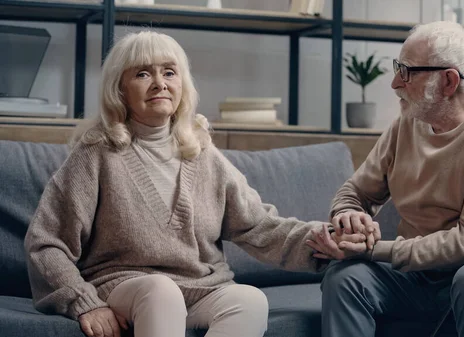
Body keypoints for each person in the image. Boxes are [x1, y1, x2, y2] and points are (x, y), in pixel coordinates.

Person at [23, 30, 369, 337]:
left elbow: (259, 226)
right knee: (161, 292)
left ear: (182, 85)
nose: (159, 83)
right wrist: (85, 302)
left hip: (202, 287)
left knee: (248, 299)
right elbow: (46, 243)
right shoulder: (97, 152)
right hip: (125, 286)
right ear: (120, 90)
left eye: (169, 73)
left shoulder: (201, 152)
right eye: (143, 73)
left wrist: (322, 240)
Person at [306, 21, 464, 337]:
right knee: (344, 277)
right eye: (398, 68)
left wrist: (371, 249)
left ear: (449, 80)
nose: (395, 82)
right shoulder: (407, 123)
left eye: (408, 72)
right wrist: (348, 216)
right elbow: (356, 191)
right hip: (423, 273)